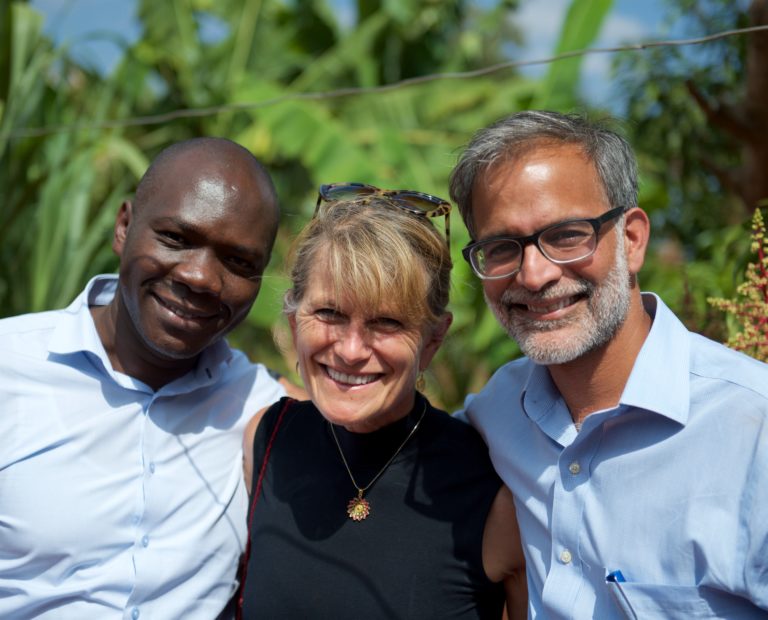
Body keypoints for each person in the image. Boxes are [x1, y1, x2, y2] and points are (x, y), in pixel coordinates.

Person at [448, 110, 768, 619]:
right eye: (501, 247)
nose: (533, 275)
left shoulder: (751, 433)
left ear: (632, 239)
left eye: (567, 235)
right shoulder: (497, 413)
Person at [0, 137, 297, 619]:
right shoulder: (9, 367)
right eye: (177, 239)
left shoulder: (258, 405)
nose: (201, 277)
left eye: (238, 263)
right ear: (124, 227)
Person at [240, 183, 527, 619]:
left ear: (433, 340)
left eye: (387, 322)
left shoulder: (493, 491)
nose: (351, 350)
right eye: (329, 313)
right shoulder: (266, 441)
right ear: (294, 320)